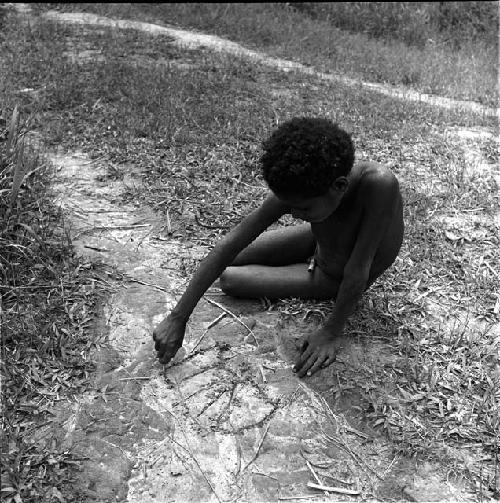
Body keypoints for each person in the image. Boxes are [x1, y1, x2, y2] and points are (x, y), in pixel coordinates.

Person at [153, 117, 404, 377]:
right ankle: (304, 254)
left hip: (332, 275)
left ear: (339, 187)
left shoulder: (379, 186)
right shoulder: (305, 186)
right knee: (232, 257)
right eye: (288, 205)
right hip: (317, 239)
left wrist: (331, 332)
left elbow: (357, 269)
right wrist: (178, 317)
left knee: (230, 280)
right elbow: (230, 244)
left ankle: (306, 271)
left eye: (302, 208)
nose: (293, 214)